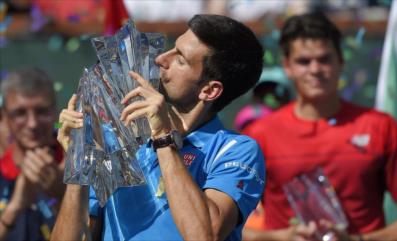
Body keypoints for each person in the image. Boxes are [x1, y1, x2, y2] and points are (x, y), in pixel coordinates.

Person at [51, 14, 265, 241]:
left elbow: (205, 234)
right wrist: (79, 162)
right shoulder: (114, 140)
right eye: (172, 48)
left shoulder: (236, 150)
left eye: (180, 60)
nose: (162, 58)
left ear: (209, 91)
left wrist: (163, 138)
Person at [243, 12, 397, 241]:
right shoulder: (259, 133)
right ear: (287, 67)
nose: (315, 69)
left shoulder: (380, 127)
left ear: (341, 62)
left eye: (324, 59)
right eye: (304, 61)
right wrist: (281, 238)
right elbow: (226, 226)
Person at [0, 67, 65, 241]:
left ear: (55, 112)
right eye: (20, 113)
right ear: (4, 117)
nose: (32, 124)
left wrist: (63, 195)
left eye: (41, 111)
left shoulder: (76, 166)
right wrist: (15, 206)